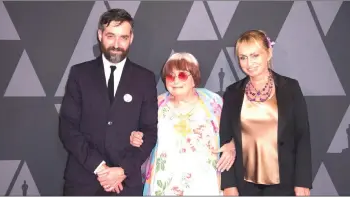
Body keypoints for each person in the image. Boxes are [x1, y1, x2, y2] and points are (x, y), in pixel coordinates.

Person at [59, 9, 158, 196]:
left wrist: (122, 170)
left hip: (126, 184)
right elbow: (67, 127)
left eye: (123, 37)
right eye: (110, 36)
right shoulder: (79, 74)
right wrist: (101, 168)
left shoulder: (145, 78)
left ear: (131, 38)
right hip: (83, 181)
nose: (116, 44)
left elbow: (150, 132)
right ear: (100, 35)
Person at [220, 30, 312, 196]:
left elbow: (302, 136)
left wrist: (302, 182)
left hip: (284, 182)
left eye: (255, 55)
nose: (249, 63)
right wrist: (228, 185)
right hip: (244, 184)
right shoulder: (232, 93)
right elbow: (225, 139)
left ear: (268, 53)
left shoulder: (290, 88)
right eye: (243, 57)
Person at [130, 52, 236, 195]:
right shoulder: (157, 105)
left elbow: (233, 132)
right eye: (170, 76)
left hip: (205, 184)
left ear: (194, 78)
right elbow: (144, 135)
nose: (175, 81)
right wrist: (136, 137)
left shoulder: (213, 102)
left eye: (182, 75)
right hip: (165, 186)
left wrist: (233, 144)